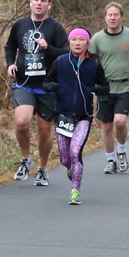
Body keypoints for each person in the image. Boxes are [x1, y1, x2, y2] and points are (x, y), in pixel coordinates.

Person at [4, 0, 69, 186]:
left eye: (43, 1)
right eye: (36, 0)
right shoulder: (20, 25)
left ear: (49, 5)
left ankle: (42, 168)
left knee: (43, 130)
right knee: (22, 122)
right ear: (30, 3)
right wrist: (10, 64)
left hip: (48, 86)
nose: (39, 3)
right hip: (24, 83)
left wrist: (47, 48)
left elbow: (65, 54)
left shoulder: (55, 28)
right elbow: (10, 47)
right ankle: (26, 159)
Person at [43, 28, 109, 205]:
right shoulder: (61, 61)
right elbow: (47, 81)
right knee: (65, 159)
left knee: (75, 152)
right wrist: (52, 87)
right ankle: (71, 170)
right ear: (69, 42)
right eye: (74, 40)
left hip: (83, 116)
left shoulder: (94, 65)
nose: (77, 43)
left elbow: (105, 87)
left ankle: (75, 191)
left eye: (81, 40)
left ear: (87, 43)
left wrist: (96, 89)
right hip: (63, 115)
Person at [88, 2, 129, 174]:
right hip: (105, 88)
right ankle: (110, 160)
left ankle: (122, 151)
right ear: (105, 17)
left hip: (125, 85)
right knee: (106, 126)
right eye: (109, 15)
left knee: (120, 121)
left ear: (121, 17)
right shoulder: (97, 39)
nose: (112, 18)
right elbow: (88, 59)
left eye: (116, 15)